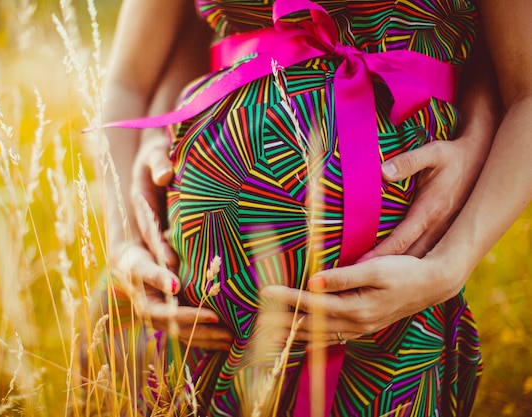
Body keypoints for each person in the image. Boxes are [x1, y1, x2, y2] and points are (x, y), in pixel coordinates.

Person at [97, 0, 531, 415]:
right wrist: (122, 243)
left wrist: (448, 267)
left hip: (389, 317)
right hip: (192, 301)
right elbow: (130, 79)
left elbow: (525, 89)